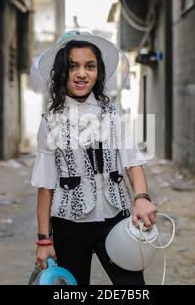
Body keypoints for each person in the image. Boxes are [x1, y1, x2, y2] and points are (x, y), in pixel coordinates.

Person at [30, 30, 157, 285]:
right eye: (73, 66)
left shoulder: (112, 113)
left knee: (132, 287)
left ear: (98, 72)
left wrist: (142, 198)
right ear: (62, 72)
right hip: (69, 227)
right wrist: (44, 240)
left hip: (116, 220)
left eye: (90, 66)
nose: (81, 73)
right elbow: (45, 185)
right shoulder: (51, 121)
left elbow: (132, 161)